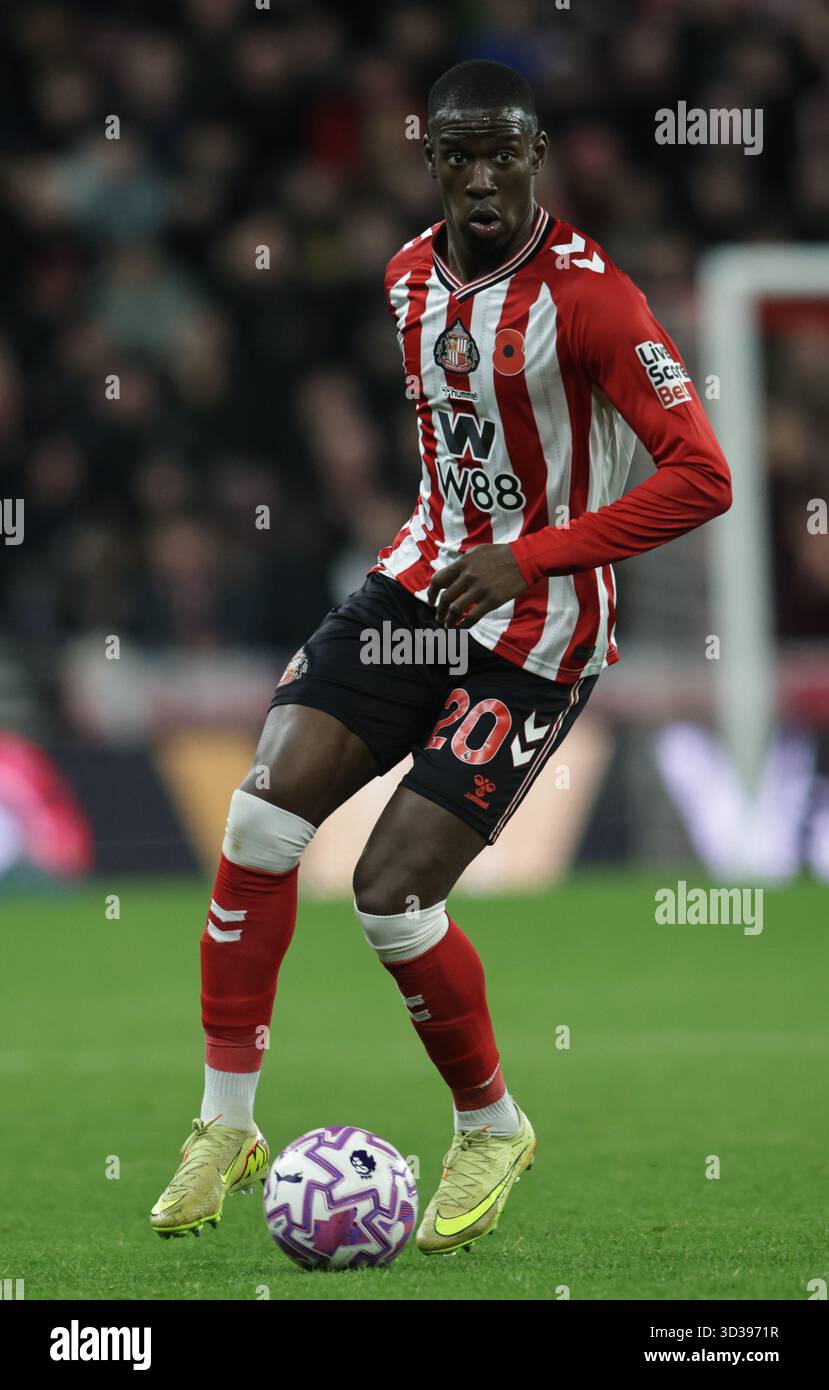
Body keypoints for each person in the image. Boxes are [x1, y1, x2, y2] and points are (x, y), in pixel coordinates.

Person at [150, 59, 731, 1255]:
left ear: (536, 158)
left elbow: (704, 475)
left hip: (538, 632)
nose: (480, 177)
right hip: (415, 587)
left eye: (502, 155)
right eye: (457, 154)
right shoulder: (406, 275)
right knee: (259, 824)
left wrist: (537, 556)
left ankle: (491, 1124)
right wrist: (461, 552)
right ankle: (223, 1122)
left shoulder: (595, 302)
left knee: (390, 892)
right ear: (428, 160)